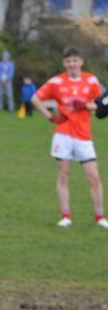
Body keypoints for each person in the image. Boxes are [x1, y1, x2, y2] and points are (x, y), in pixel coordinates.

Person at [32, 47, 106, 228]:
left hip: (84, 136)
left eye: (75, 60)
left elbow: (102, 105)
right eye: (68, 61)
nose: (72, 64)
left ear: (81, 62)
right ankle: (66, 216)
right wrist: (49, 116)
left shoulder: (91, 80)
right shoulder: (56, 82)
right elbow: (35, 98)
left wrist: (85, 105)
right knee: (63, 175)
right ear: (64, 63)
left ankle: (100, 217)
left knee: (94, 177)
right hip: (63, 135)